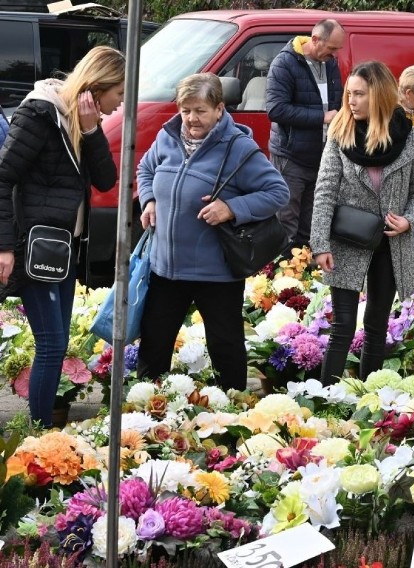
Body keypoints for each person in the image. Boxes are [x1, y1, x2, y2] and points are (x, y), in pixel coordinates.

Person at [137, 73, 289, 391]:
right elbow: (146, 169)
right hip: (166, 267)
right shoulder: (167, 138)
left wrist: (231, 208)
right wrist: (149, 200)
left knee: (225, 347)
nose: (191, 118)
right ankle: (150, 412)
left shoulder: (238, 147)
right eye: (185, 110)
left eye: (200, 110)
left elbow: (277, 192)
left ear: (219, 109)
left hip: (216, 272)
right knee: (154, 344)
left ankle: (230, 413)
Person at [0, 46, 125, 426]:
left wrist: (91, 131)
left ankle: (42, 430)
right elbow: (3, 178)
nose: (118, 105)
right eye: (118, 94)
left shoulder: (81, 120)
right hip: (34, 246)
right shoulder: (39, 114)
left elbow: (106, 179)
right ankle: (39, 433)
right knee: (52, 345)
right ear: (98, 86)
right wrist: (4, 246)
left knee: (54, 345)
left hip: (62, 250)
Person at [311, 61, 414, 385]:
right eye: (349, 93)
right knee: (343, 326)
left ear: (378, 95)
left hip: (391, 242)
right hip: (347, 241)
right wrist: (319, 244)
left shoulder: (408, 137)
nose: (351, 100)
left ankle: (371, 399)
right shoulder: (340, 133)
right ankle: (327, 400)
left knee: (377, 324)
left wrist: (408, 220)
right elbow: (324, 192)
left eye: (359, 94)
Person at [266, 19, 344, 251]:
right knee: (285, 221)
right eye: (332, 48)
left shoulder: (330, 64)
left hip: (321, 156)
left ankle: (304, 278)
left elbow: (336, 102)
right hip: (291, 157)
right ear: (315, 39)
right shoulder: (284, 63)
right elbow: (275, 109)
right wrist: (322, 117)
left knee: (311, 224)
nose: (335, 54)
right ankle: (278, 278)